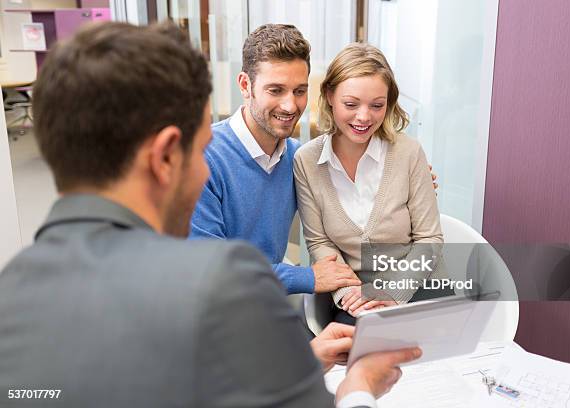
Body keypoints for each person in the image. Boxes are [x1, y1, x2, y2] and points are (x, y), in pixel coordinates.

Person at [0, 22, 422, 408]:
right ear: (167, 155)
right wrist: (359, 386)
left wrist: (407, 177)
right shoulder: (218, 284)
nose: (206, 165)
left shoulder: (15, 291)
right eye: (200, 146)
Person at [189, 24, 361, 296]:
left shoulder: (297, 157)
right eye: (276, 90)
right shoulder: (202, 159)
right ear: (246, 86)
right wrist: (307, 277)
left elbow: (352, 193)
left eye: (299, 91)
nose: (290, 106)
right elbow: (210, 270)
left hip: (264, 303)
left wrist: (406, 180)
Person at [294, 43, 446, 324]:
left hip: (417, 289)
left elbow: (429, 240)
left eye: (377, 105)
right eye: (351, 104)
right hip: (355, 301)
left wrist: (392, 290)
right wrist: (350, 292)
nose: (364, 117)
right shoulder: (306, 161)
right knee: (354, 356)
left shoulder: (409, 153)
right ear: (329, 95)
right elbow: (320, 242)